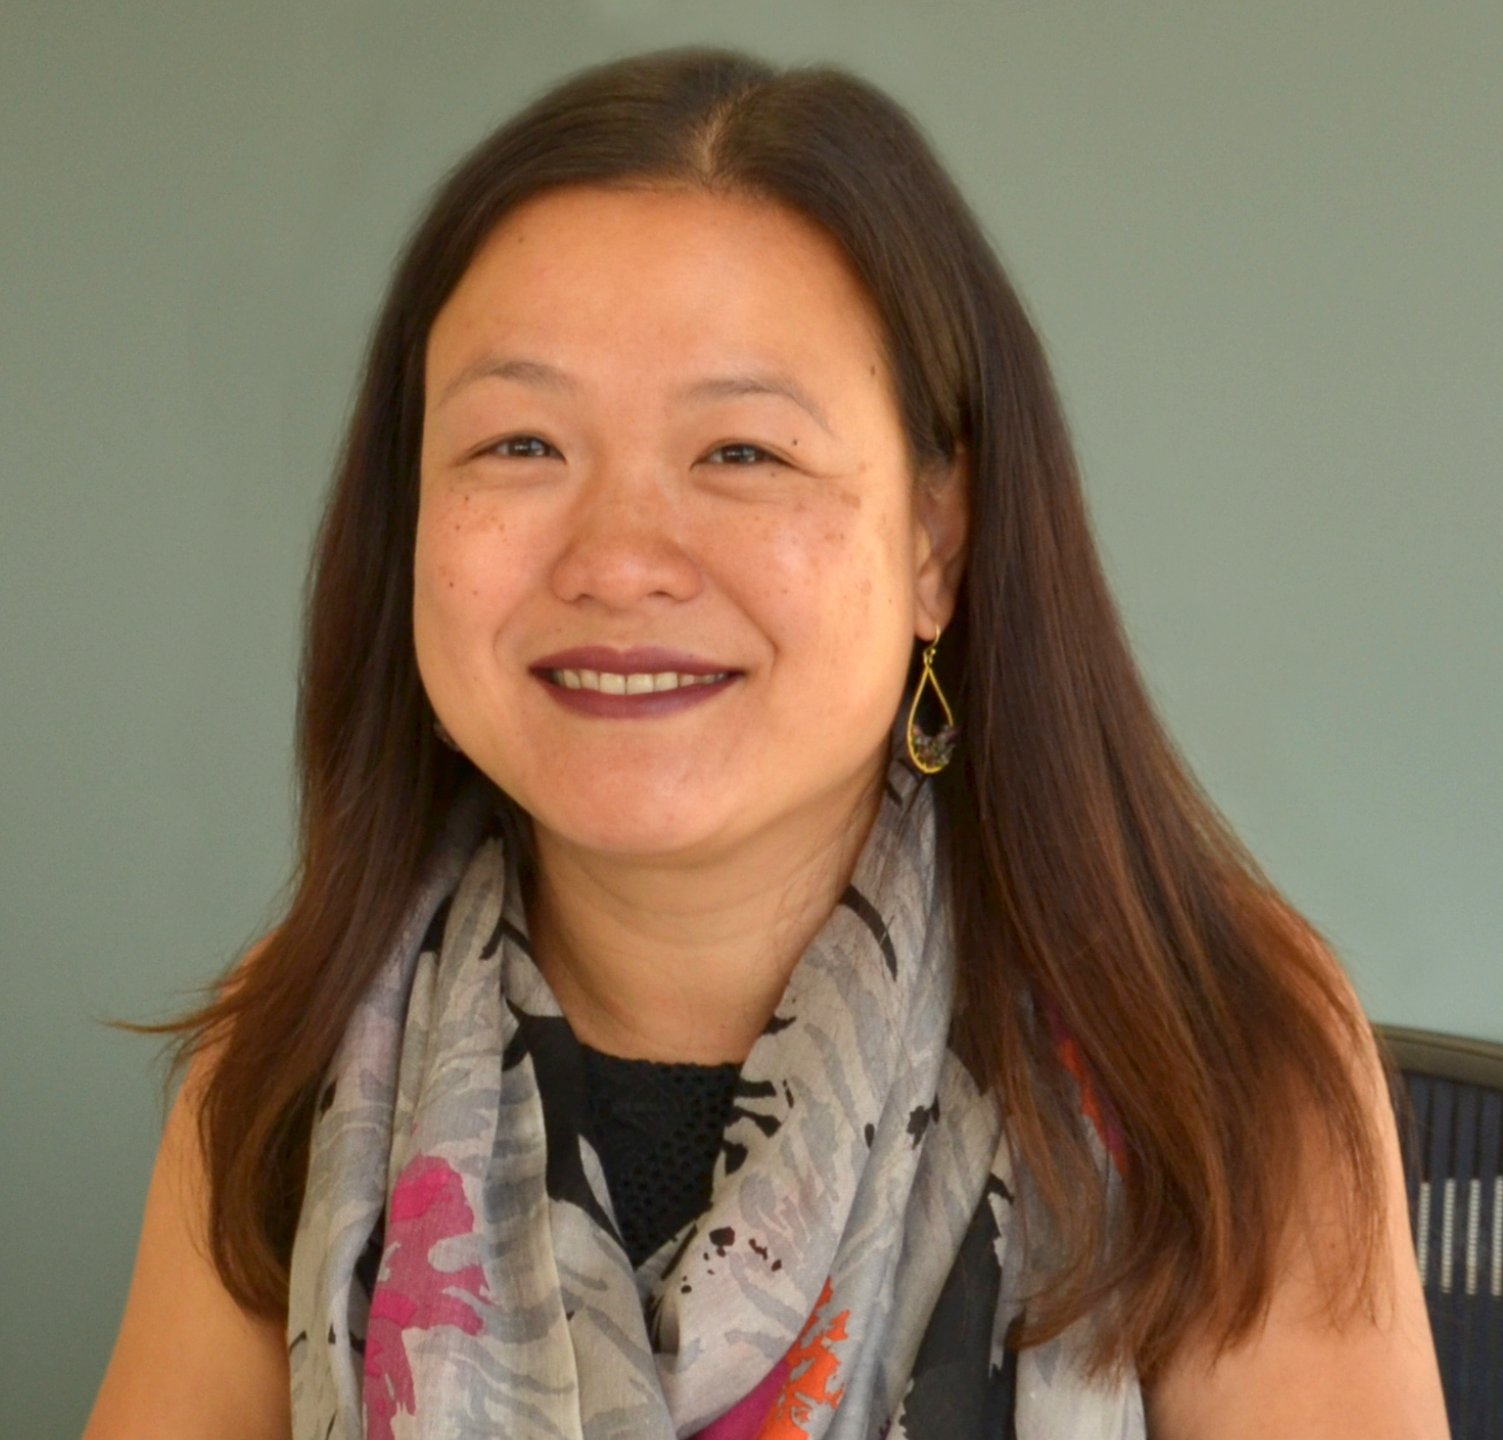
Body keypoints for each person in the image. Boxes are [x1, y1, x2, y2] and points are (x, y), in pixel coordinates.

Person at [85, 48, 1448, 1440]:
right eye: (519, 445)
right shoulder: (296, 1045)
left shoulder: (1209, 1041)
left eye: (742, 452)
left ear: (937, 539)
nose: (618, 560)